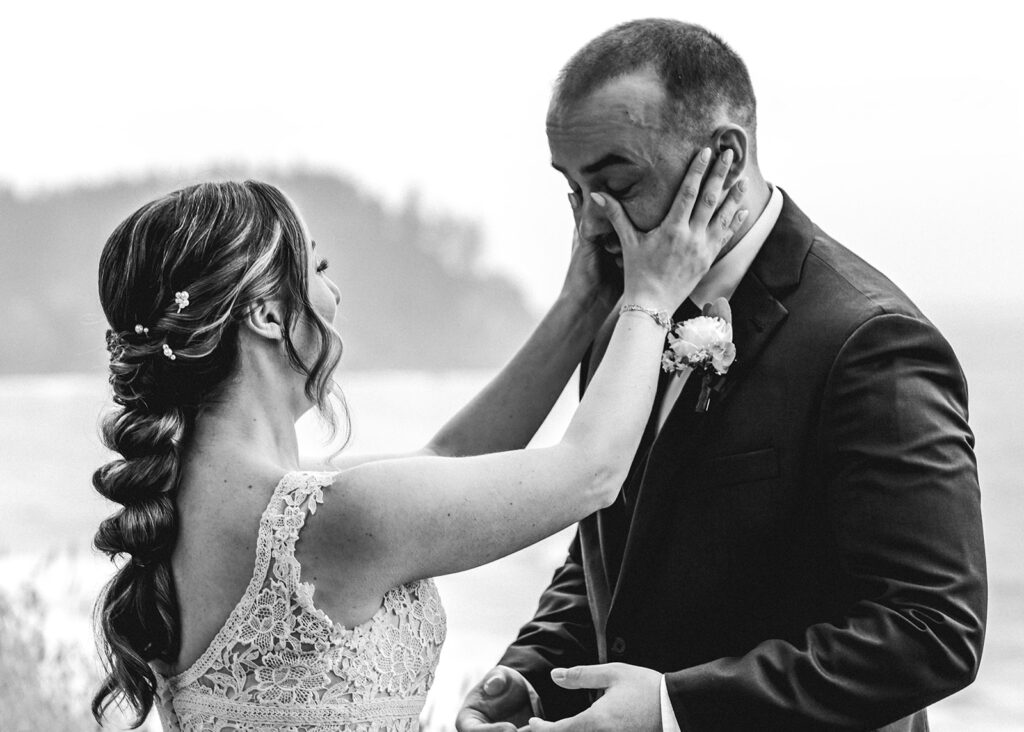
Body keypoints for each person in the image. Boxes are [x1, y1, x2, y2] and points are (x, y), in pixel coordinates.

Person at [456, 19, 986, 732]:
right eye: (574, 191)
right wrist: (531, 676)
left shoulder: (868, 340)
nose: (590, 224)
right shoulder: (624, 321)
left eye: (615, 183)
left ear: (725, 157)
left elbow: (931, 631)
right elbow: (609, 557)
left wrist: (675, 707)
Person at [90, 164, 747, 730]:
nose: (334, 293)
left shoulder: (194, 511)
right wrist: (651, 296)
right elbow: (590, 473)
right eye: (317, 267)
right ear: (264, 314)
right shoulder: (327, 520)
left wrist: (586, 298)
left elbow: (446, 461)